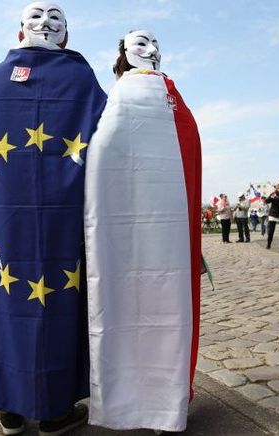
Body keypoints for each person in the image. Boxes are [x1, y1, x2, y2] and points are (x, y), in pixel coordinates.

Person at [0, 3, 105, 433]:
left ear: (20, 36)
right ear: (66, 37)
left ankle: (9, 406)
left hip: (0, 226)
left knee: (3, 307)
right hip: (65, 225)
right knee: (60, 309)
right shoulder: (81, 79)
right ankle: (54, 409)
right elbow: (110, 145)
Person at [84, 29, 201, 432]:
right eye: (140, 44)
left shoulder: (167, 95)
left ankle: (160, 404)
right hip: (134, 231)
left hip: (157, 229)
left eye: (155, 44)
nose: (150, 50)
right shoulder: (123, 96)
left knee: (158, 311)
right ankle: (145, 404)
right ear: (124, 54)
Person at [265, 184, 279, 249]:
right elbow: (267, 201)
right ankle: (268, 245)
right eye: (278, 188)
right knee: (271, 231)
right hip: (273, 214)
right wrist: (270, 196)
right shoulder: (273, 194)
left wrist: (276, 197)